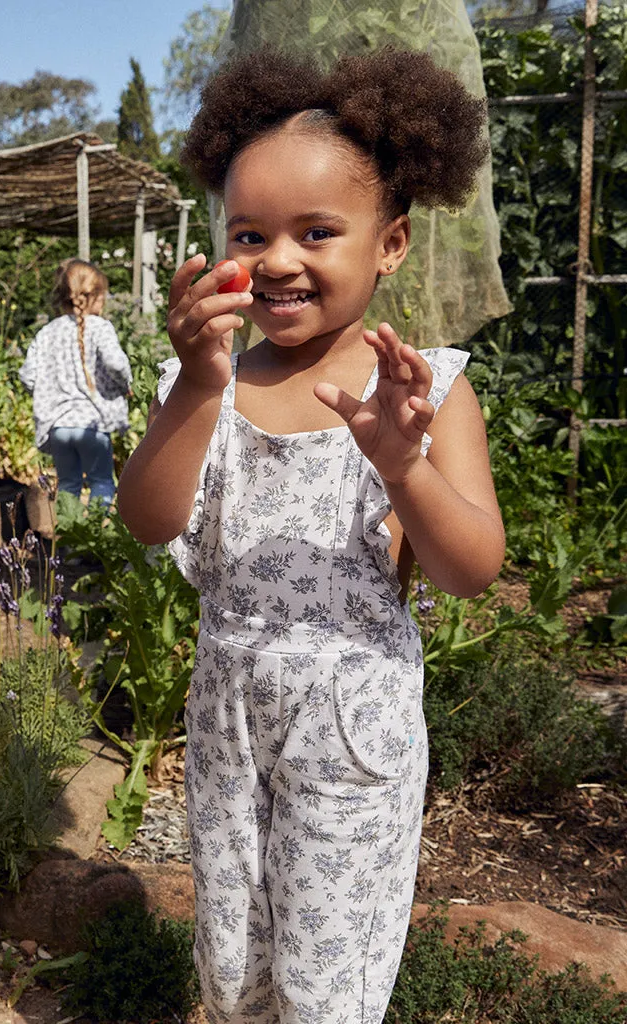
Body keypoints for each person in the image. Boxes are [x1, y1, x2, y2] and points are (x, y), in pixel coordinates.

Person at [117, 48, 506, 1024]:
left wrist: (401, 465)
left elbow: (470, 569)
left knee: (327, 979)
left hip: (351, 728)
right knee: (237, 960)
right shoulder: (207, 384)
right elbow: (145, 518)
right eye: (250, 232)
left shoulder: (426, 393)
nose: (279, 259)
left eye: (317, 231)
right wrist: (197, 388)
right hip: (227, 722)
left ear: (391, 243)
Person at [19, 258, 132, 508]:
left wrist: (45, 393)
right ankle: (95, 540)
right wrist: (125, 384)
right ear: (95, 296)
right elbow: (115, 364)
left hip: (58, 426)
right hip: (93, 424)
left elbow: (27, 376)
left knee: (68, 485)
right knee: (101, 482)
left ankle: (69, 542)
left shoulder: (46, 332)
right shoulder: (100, 328)